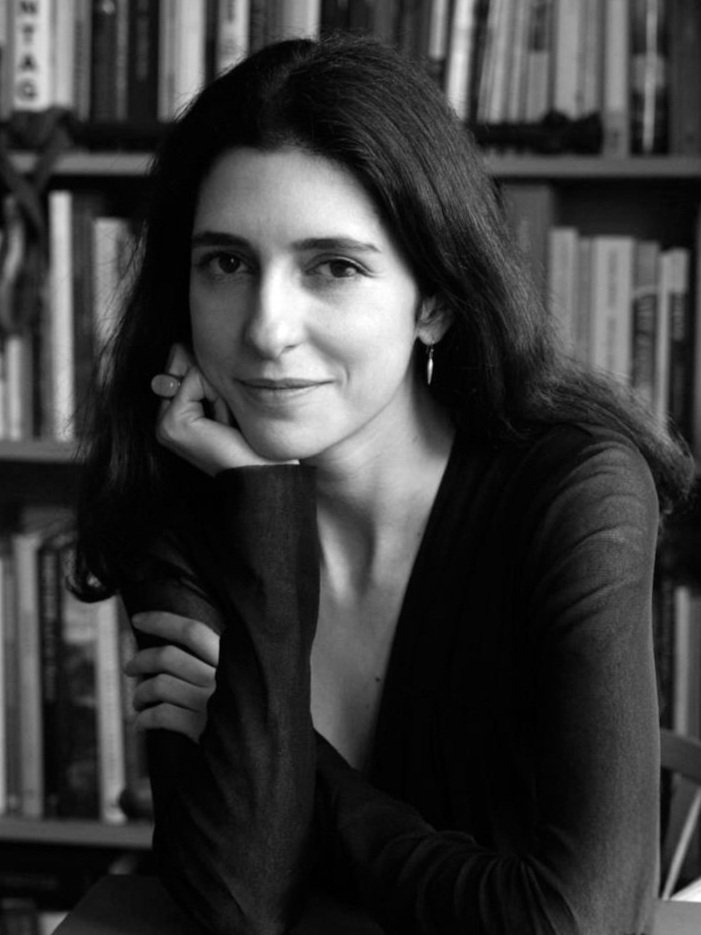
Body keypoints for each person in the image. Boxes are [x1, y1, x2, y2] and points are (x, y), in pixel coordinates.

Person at [72, 33, 694, 935]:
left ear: (433, 300)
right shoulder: (189, 497)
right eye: (227, 262)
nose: (266, 329)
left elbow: (571, 922)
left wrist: (273, 735)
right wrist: (262, 507)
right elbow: (237, 904)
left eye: (334, 266)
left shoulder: (572, 490)